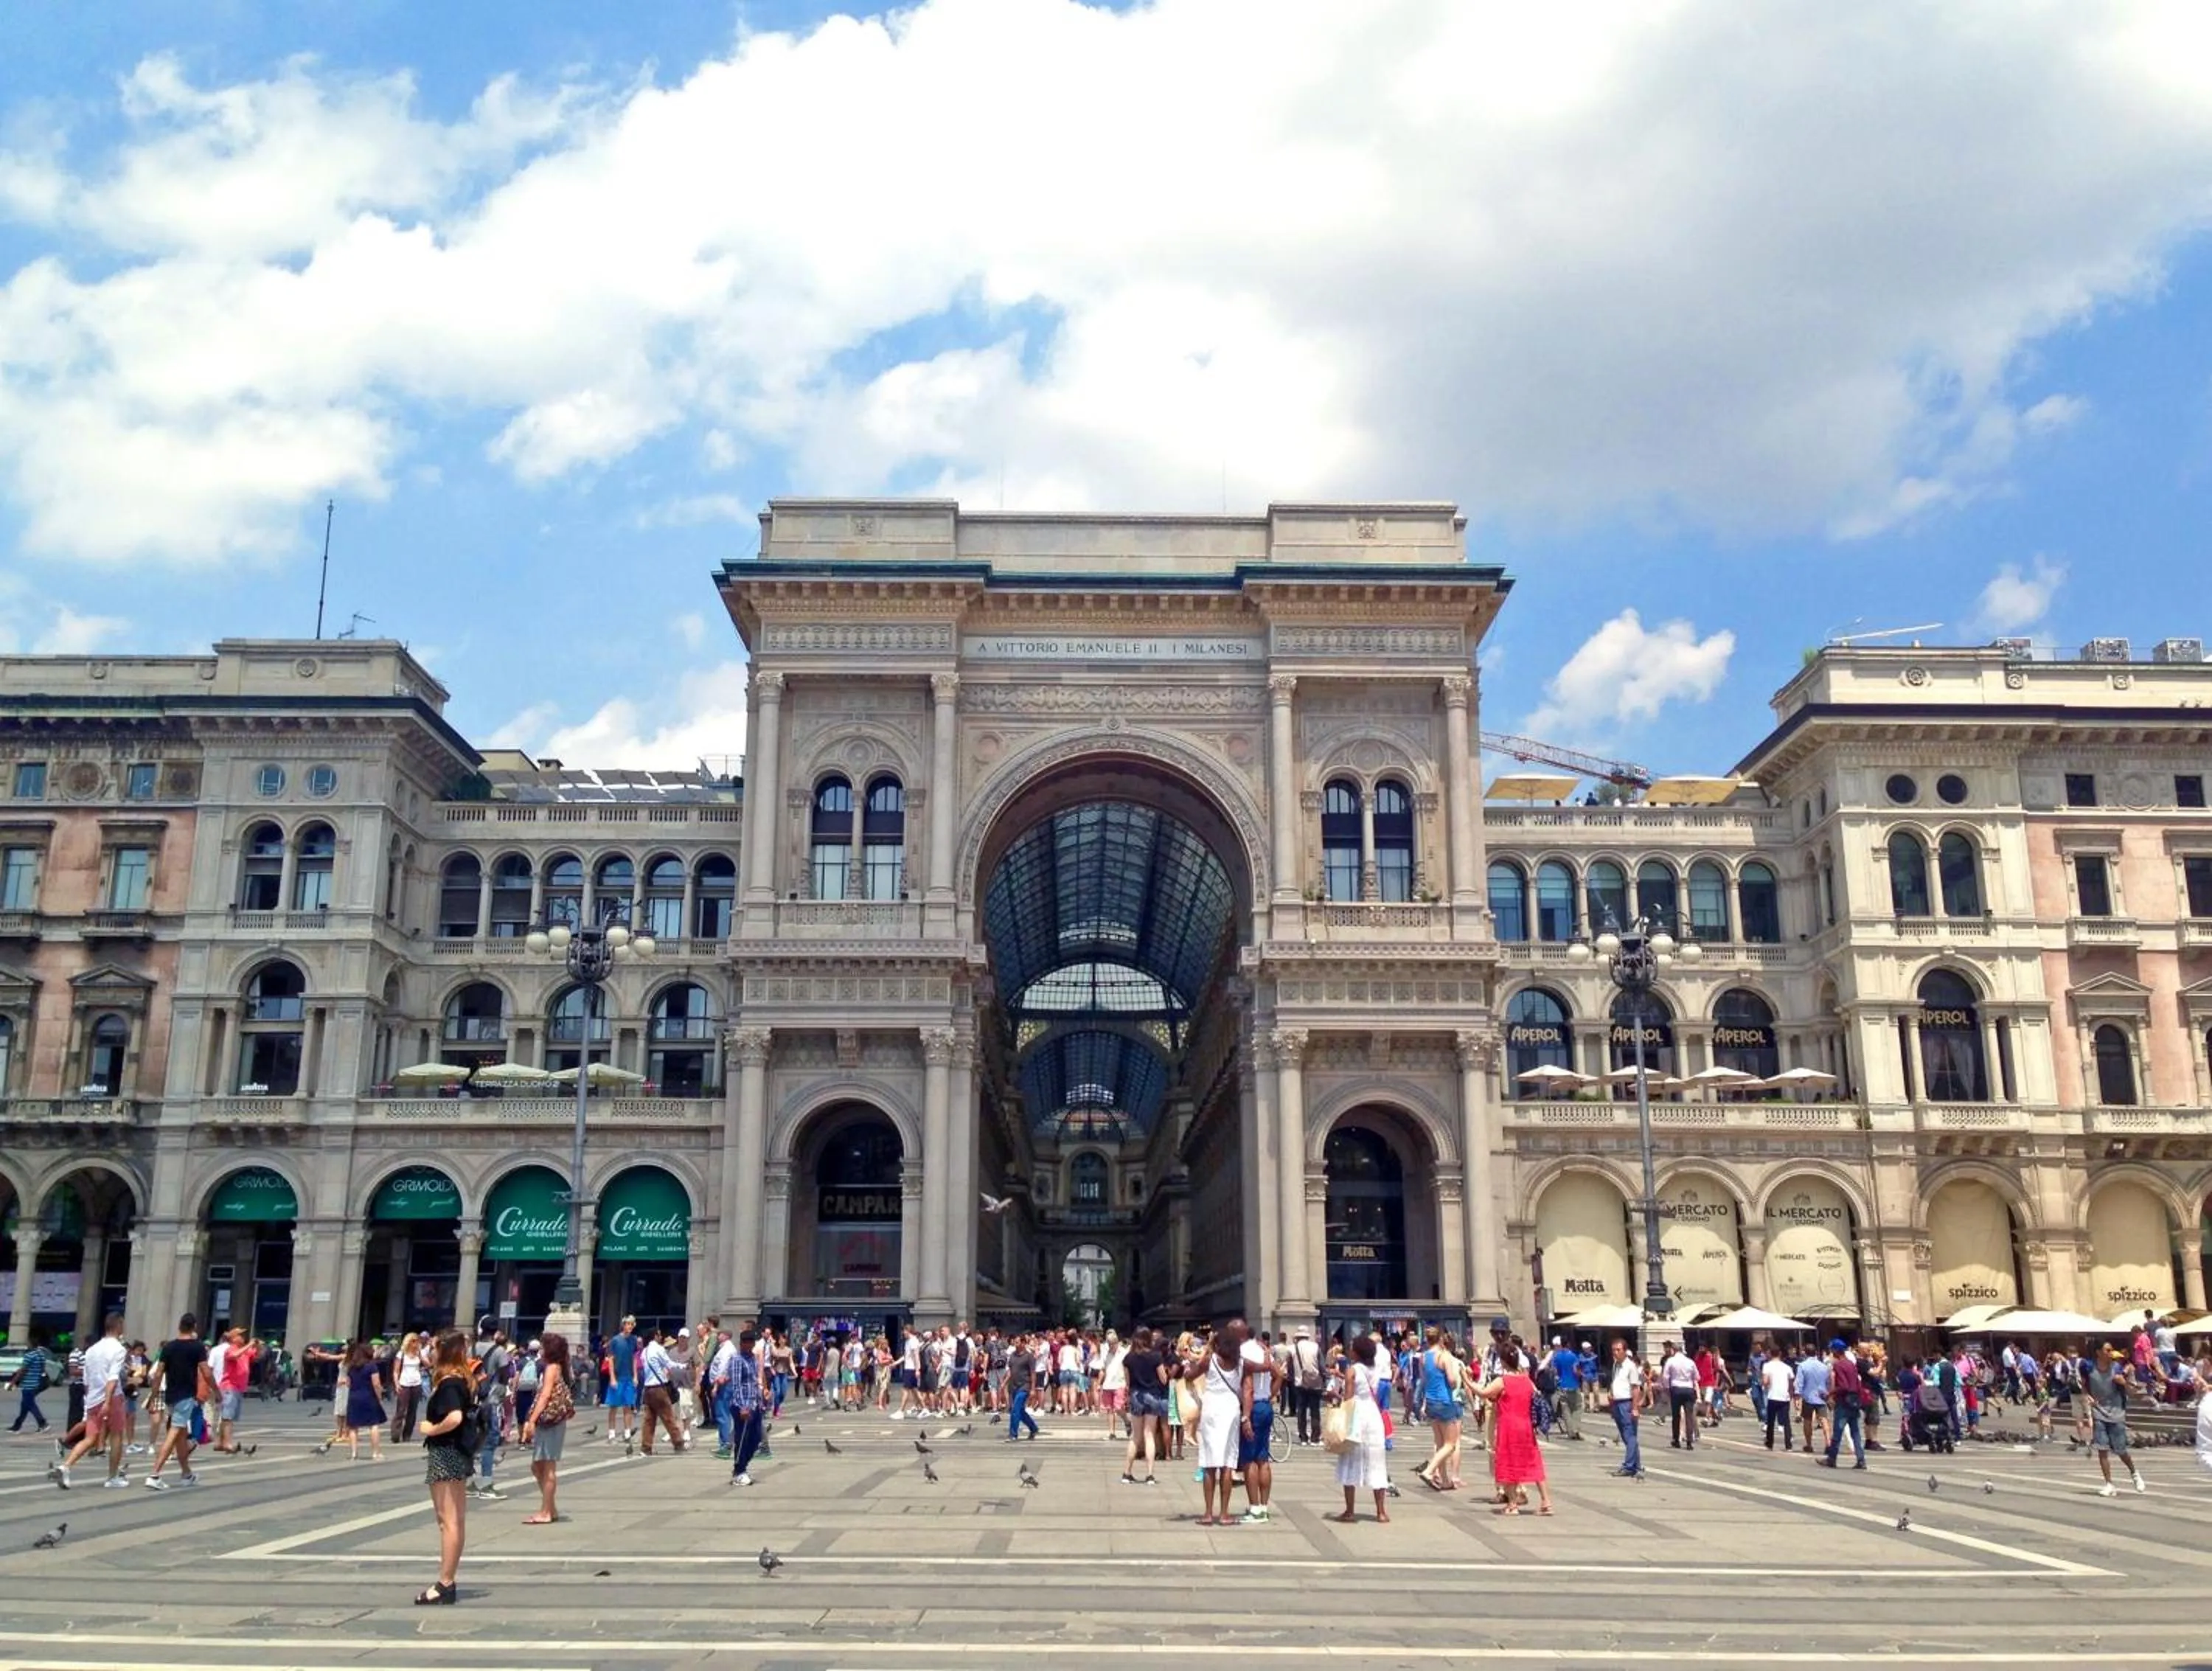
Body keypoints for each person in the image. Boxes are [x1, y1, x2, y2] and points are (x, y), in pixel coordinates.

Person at [417, 1327, 474, 1605]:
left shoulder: (450, 1383)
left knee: (447, 1521)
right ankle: (447, 1580)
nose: (431, 1352)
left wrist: (432, 1428)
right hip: (457, 1453)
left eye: (435, 1347)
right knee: (455, 1521)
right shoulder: (462, 1379)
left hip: (446, 1452)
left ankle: (445, 1582)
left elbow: (455, 1417)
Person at [52, 1312, 130, 1490]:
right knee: (117, 1435)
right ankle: (112, 1476)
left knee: (90, 1438)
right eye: (122, 1324)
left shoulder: (92, 1350)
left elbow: (87, 1380)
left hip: (93, 1398)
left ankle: (66, 1467)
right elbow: (113, 1378)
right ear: (118, 1325)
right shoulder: (118, 1349)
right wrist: (109, 1402)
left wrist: (90, 1402)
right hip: (112, 1397)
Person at [1475, 1341, 1553, 1516]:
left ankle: (1512, 1504)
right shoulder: (1526, 1380)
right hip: (1525, 1426)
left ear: (1503, 1362)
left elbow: (1483, 1393)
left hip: (1508, 1427)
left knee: (1508, 1463)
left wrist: (1466, 1380)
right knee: (1534, 1462)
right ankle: (1546, 1502)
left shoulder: (1502, 1381)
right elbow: (1536, 1394)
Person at [143, 1313, 212, 1490]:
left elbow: (158, 1373)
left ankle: (186, 1473)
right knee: (174, 1433)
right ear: (194, 1327)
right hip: (186, 1395)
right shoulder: (198, 1347)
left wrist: (153, 1395)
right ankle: (154, 1474)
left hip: (171, 1396)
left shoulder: (169, 1347)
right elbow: (206, 1372)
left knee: (181, 1435)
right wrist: (217, 1391)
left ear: (180, 1326)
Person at [1333, 1333, 1390, 1522]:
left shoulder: (1352, 1370)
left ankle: (1350, 1510)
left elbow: (1348, 1398)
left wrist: (1335, 1395)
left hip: (1357, 1414)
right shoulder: (1375, 1368)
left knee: (1350, 1458)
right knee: (1377, 1462)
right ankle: (1381, 1511)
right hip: (1373, 1415)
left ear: (1357, 1352)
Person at [519, 1333, 572, 1524]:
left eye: (543, 1347)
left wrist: (531, 1420)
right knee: (538, 1466)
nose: (540, 1350)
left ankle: (546, 1511)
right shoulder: (556, 1368)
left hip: (550, 1423)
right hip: (551, 1422)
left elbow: (544, 1396)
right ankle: (551, 1507)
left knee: (548, 1466)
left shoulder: (552, 1368)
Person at [2084, 1344, 2147, 1497]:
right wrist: (2088, 1396)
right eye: (2107, 1350)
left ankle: (2134, 1472)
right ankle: (2109, 1484)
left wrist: (2123, 1383)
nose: (2111, 1353)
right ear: (2098, 1352)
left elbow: (2132, 1391)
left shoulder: (2117, 1368)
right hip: (2099, 1412)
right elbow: (2082, 1384)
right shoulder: (2089, 1368)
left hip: (2116, 1413)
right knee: (2102, 1449)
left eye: (2112, 1350)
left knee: (2120, 1450)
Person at [1237, 1323, 1277, 1522]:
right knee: (1263, 1458)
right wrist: (1272, 1394)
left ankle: (1254, 1509)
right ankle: (1264, 1506)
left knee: (1249, 1459)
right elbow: (1279, 1374)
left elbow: (1248, 1388)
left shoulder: (1242, 1352)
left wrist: (1245, 1417)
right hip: (1265, 1406)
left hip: (1251, 1407)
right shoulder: (1264, 1350)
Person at [1121, 1327, 1166, 1485]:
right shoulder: (1155, 1356)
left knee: (1136, 1436)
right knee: (1149, 1435)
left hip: (1136, 1396)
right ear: (1148, 1339)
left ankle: (1127, 1473)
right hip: (1153, 1395)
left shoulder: (1128, 1358)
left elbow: (1127, 1382)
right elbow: (1164, 1379)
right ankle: (1150, 1475)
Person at [728, 1327, 768, 1486]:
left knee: (757, 1438)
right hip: (742, 1406)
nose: (750, 1345)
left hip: (754, 1404)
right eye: (747, 1342)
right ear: (741, 1343)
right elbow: (737, 1385)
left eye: (752, 1341)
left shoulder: (752, 1358)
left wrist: (762, 1396)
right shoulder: (738, 1360)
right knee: (743, 1439)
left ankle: (743, 1466)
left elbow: (753, 1381)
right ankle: (739, 1471)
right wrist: (743, 1407)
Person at [1819, 1339, 1866, 1470]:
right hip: (1855, 1400)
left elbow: (1844, 1386)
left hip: (1844, 1401)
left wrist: (1830, 1394)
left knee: (1838, 1432)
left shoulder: (1839, 1365)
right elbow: (1857, 1382)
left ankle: (1832, 1458)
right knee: (1855, 1432)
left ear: (1835, 1351)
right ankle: (1861, 1459)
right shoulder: (1851, 1364)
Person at [639, 1327, 686, 1455]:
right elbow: (669, 1364)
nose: (661, 1337)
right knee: (668, 1417)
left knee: (649, 1420)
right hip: (658, 1388)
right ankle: (678, 1444)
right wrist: (683, 1366)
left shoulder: (644, 1351)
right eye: (659, 1335)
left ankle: (646, 1447)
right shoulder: (658, 1349)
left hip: (648, 1389)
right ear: (655, 1336)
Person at [1604, 1337, 1646, 1478]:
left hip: (1627, 1403)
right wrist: (1611, 1395)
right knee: (1627, 1436)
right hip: (1617, 1403)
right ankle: (1637, 1466)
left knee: (1630, 1435)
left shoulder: (1631, 1366)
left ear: (1625, 1351)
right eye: (1613, 1350)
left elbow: (1636, 1388)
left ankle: (1628, 1466)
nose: (1615, 1353)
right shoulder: (1616, 1365)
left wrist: (1635, 1407)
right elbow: (1615, 1382)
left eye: (1618, 1350)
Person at [341, 1341, 386, 1461]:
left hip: (354, 1398)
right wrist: (379, 1397)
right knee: (373, 1425)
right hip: (368, 1397)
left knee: (353, 1427)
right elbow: (376, 1384)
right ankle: (376, 1453)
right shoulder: (372, 1366)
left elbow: (348, 1383)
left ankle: (354, 1453)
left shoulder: (351, 1367)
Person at [7, 1330, 53, 1434]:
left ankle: (43, 1423)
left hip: (28, 1384)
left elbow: (23, 1370)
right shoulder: (41, 1354)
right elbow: (42, 1369)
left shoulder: (29, 1356)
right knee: (25, 1405)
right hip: (36, 1383)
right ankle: (17, 1426)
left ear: (30, 1343)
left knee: (30, 1404)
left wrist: (13, 1382)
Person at [605, 1316, 641, 1442]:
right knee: (614, 1406)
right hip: (618, 1377)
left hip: (629, 1377)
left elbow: (634, 1359)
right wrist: (612, 1378)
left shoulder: (633, 1340)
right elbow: (611, 1360)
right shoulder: (615, 1341)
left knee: (628, 1406)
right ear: (623, 1325)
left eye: (632, 1325)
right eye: (628, 1324)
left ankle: (627, 1432)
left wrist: (635, 1376)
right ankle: (611, 1432)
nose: (630, 1327)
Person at [1659, 1340, 1698, 1450]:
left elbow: (1666, 1377)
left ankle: (1676, 1439)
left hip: (1676, 1388)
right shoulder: (1690, 1362)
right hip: (1689, 1389)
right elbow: (1697, 1377)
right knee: (1689, 1415)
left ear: (1674, 1350)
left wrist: (1667, 1388)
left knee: (1676, 1415)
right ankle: (1689, 1441)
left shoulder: (1671, 1361)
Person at [1794, 1341, 1831, 1453]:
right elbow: (1828, 1381)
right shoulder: (1824, 1366)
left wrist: (1797, 1397)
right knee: (1824, 1419)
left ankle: (1809, 1444)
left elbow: (1799, 1383)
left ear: (1805, 1353)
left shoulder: (1803, 1366)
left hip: (1808, 1396)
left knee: (1808, 1420)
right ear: (1816, 1353)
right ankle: (1828, 1443)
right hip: (1822, 1396)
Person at [390, 1332, 426, 1443]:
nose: (416, 1344)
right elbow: (396, 1371)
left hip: (416, 1383)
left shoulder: (419, 1353)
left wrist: (420, 1355)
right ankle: (396, 1434)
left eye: (417, 1341)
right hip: (404, 1383)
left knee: (412, 1410)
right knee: (401, 1410)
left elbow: (428, 1364)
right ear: (409, 1342)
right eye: (413, 1341)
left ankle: (407, 1435)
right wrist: (397, 1384)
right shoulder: (401, 1354)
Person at [1290, 1326, 1324, 1446]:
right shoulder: (1316, 1347)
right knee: (1315, 1411)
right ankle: (1315, 1437)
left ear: (1297, 1337)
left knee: (1302, 1410)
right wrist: (1324, 1379)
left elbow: (1290, 1370)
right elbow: (1322, 1367)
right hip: (1315, 1383)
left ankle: (1303, 1437)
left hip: (1300, 1383)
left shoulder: (1293, 1349)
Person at [1547, 1336, 1583, 1441]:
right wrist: (1580, 1374)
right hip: (1573, 1385)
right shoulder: (1573, 1356)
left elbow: (1554, 1371)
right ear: (1569, 1344)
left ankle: (1570, 1432)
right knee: (1577, 1408)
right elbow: (1575, 1370)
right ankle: (1575, 1429)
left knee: (1565, 1410)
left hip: (1562, 1386)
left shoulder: (1557, 1357)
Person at [1761, 1347, 1795, 1451]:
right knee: (1786, 1421)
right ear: (1780, 1354)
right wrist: (1791, 1393)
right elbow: (1791, 1382)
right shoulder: (1787, 1367)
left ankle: (1769, 1443)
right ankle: (1788, 1444)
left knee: (1771, 1421)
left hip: (1773, 1395)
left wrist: (1765, 1385)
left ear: (1771, 1354)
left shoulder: (1767, 1366)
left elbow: (1765, 1381)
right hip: (1784, 1397)